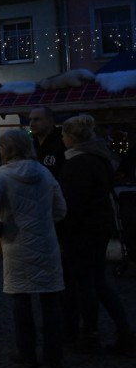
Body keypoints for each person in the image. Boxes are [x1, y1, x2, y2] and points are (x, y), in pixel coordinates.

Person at [0, 129, 67, 368]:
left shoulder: (2, 178)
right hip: (46, 243)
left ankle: (26, 352)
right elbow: (61, 210)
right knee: (51, 301)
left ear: (5, 150)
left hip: (17, 244)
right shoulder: (45, 173)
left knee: (22, 301)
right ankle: (53, 354)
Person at [58, 114, 134, 355]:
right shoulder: (99, 158)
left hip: (83, 232)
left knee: (87, 285)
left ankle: (91, 333)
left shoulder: (78, 163)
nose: (62, 139)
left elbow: (73, 204)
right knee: (98, 282)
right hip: (97, 229)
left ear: (71, 137)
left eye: (64, 135)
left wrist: (63, 231)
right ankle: (124, 331)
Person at [29, 106, 66, 181]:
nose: (31, 124)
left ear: (50, 121)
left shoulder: (63, 143)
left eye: (37, 119)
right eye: (30, 120)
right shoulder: (30, 145)